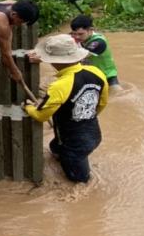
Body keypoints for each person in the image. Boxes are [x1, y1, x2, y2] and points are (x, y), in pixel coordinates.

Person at [23, 34, 109, 183]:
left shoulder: (59, 86)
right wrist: (86, 115)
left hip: (72, 141)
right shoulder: (97, 72)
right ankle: (61, 153)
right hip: (93, 132)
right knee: (55, 148)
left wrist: (28, 107)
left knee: (79, 180)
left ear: (54, 61)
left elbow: (41, 116)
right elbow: (102, 103)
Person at [69, 15, 120, 88]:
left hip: (107, 76)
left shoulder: (99, 42)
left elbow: (79, 56)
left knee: (117, 93)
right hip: (91, 75)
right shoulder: (81, 39)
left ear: (91, 30)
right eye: (74, 34)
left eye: (80, 34)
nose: (77, 37)